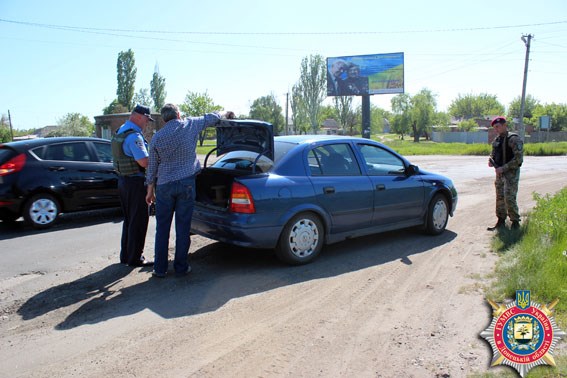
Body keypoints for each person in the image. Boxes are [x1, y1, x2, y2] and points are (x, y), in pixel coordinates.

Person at [145, 104, 235, 278]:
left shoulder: (157, 138)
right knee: (183, 227)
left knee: (162, 228)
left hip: (163, 186)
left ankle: (160, 268)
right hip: (186, 184)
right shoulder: (190, 124)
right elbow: (212, 116)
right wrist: (226, 112)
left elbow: (152, 167)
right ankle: (181, 267)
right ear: (178, 114)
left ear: (164, 119)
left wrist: (150, 190)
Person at [111, 104, 154, 266]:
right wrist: (156, 159)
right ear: (138, 116)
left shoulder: (121, 130)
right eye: (146, 119)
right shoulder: (134, 136)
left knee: (129, 220)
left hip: (123, 181)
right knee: (139, 221)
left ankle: (126, 255)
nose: (147, 123)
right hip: (135, 183)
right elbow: (143, 161)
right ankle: (136, 257)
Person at [487, 116, 524, 231]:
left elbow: (518, 160)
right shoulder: (497, 140)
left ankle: (515, 223)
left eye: (498, 127)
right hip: (499, 174)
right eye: (494, 128)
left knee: (509, 198)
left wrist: (504, 168)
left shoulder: (514, 139)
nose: (496, 129)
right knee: (500, 198)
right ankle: (501, 221)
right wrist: (491, 161)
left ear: (504, 125)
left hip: (510, 174)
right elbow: (493, 154)